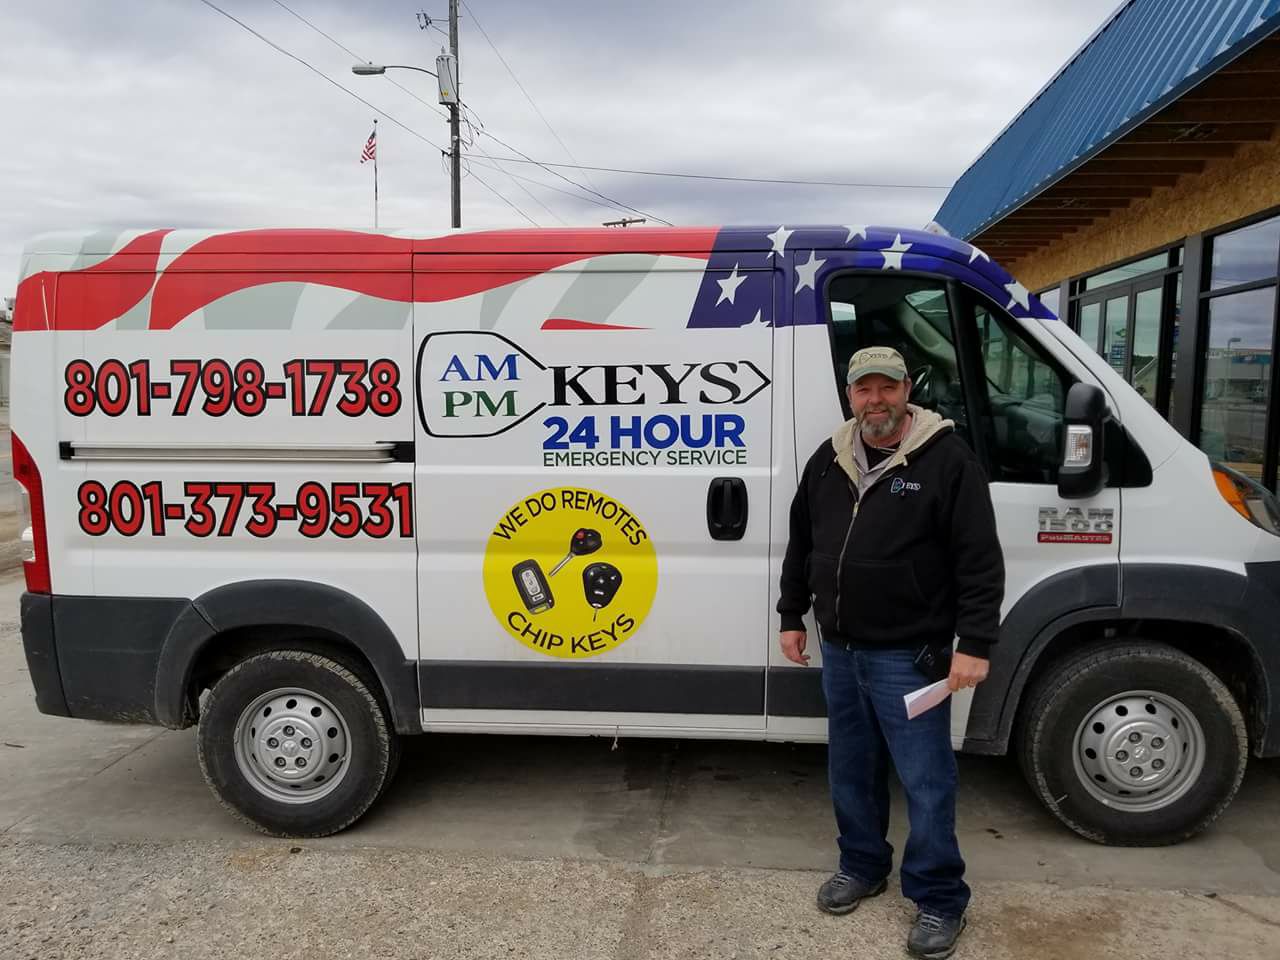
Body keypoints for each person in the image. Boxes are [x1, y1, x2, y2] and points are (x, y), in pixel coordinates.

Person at [777, 346, 1004, 960]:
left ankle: (939, 898)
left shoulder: (948, 461)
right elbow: (802, 542)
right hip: (841, 648)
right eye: (863, 389)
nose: (875, 400)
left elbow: (979, 560)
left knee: (926, 779)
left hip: (909, 654)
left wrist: (975, 643)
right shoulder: (828, 459)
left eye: (887, 387)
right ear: (851, 395)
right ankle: (862, 864)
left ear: (907, 390)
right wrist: (791, 614)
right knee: (851, 768)